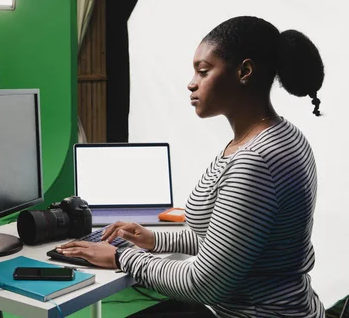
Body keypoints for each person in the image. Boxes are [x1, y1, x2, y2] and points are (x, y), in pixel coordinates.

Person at [56, 16, 326, 317]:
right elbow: (226, 240)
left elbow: (205, 284)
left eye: (203, 71)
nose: (191, 83)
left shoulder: (256, 161)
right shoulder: (279, 136)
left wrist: (122, 257)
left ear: (244, 72)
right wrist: (154, 239)